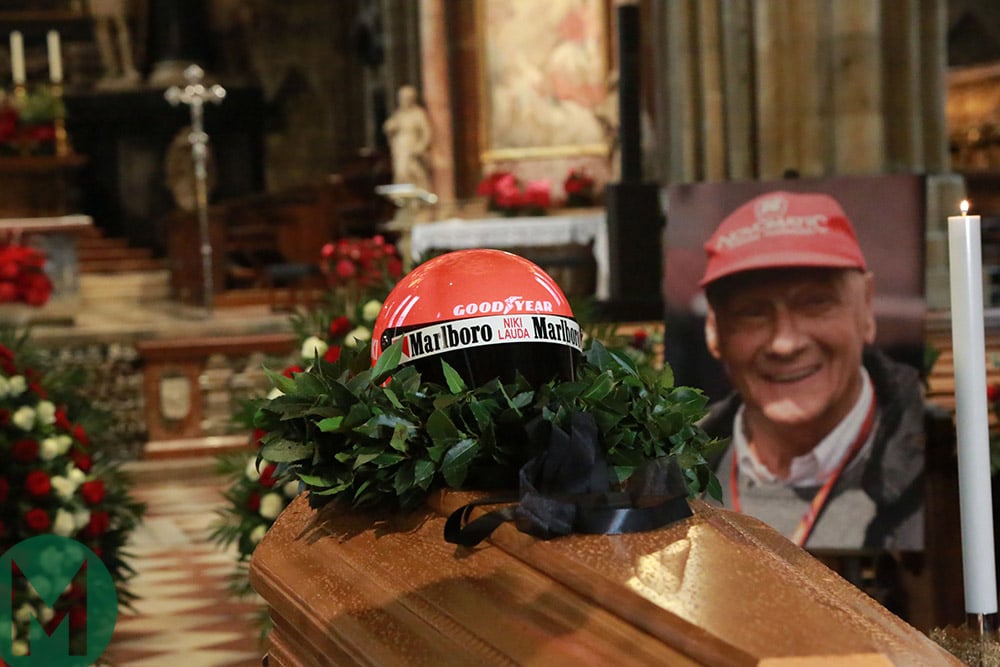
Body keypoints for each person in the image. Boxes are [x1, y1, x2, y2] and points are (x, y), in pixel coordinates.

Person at [697, 190, 924, 550]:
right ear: (714, 330)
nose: (784, 343)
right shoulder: (667, 475)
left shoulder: (944, 471)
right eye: (752, 311)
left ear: (866, 307)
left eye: (815, 303)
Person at [382, 85, 432, 193]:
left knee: (414, 172)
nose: (403, 101)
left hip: (412, 145)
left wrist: (420, 147)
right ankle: (406, 203)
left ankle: (419, 201)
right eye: (402, 98)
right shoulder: (399, 114)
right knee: (401, 173)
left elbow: (426, 132)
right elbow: (388, 127)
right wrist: (391, 127)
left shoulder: (418, 113)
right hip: (400, 147)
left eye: (406, 98)